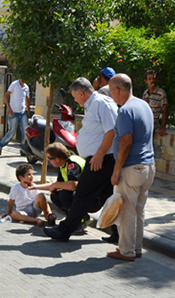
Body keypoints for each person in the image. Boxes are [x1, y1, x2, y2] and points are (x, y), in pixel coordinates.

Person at [42, 77, 118, 242]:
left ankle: (65, 230)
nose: (75, 100)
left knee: (82, 194)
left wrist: (99, 154)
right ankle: (119, 233)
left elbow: (111, 131)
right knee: (108, 197)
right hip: (99, 158)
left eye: (75, 97)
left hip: (101, 159)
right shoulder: (93, 105)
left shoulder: (101, 104)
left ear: (82, 93)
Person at [107, 73, 156, 261]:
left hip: (131, 167)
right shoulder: (144, 105)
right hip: (148, 166)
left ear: (117, 90)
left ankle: (126, 251)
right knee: (138, 210)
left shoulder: (126, 110)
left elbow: (126, 142)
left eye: (112, 92)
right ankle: (136, 248)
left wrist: (116, 170)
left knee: (127, 211)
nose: (112, 96)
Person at [29, 142, 85, 214]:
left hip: (91, 196)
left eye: (50, 158)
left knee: (65, 195)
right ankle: (71, 215)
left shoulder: (72, 164)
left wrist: (55, 185)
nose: (48, 160)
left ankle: (80, 218)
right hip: (82, 192)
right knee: (55, 195)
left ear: (57, 159)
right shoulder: (63, 164)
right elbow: (57, 184)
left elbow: (73, 185)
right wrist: (35, 187)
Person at [0, 78, 29, 156]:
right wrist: (9, 108)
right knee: (12, 132)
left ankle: (23, 150)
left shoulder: (26, 87)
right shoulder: (14, 84)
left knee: (26, 131)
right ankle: (0, 145)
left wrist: (28, 110)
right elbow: (6, 95)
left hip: (22, 112)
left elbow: (27, 99)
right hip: (14, 112)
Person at [141, 70, 168, 137]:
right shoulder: (145, 93)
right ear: (146, 81)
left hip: (153, 125)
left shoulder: (161, 93)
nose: (152, 81)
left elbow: (165, 110)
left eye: (154, 78)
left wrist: (162, 127)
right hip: (143, 123)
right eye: (149, 79)